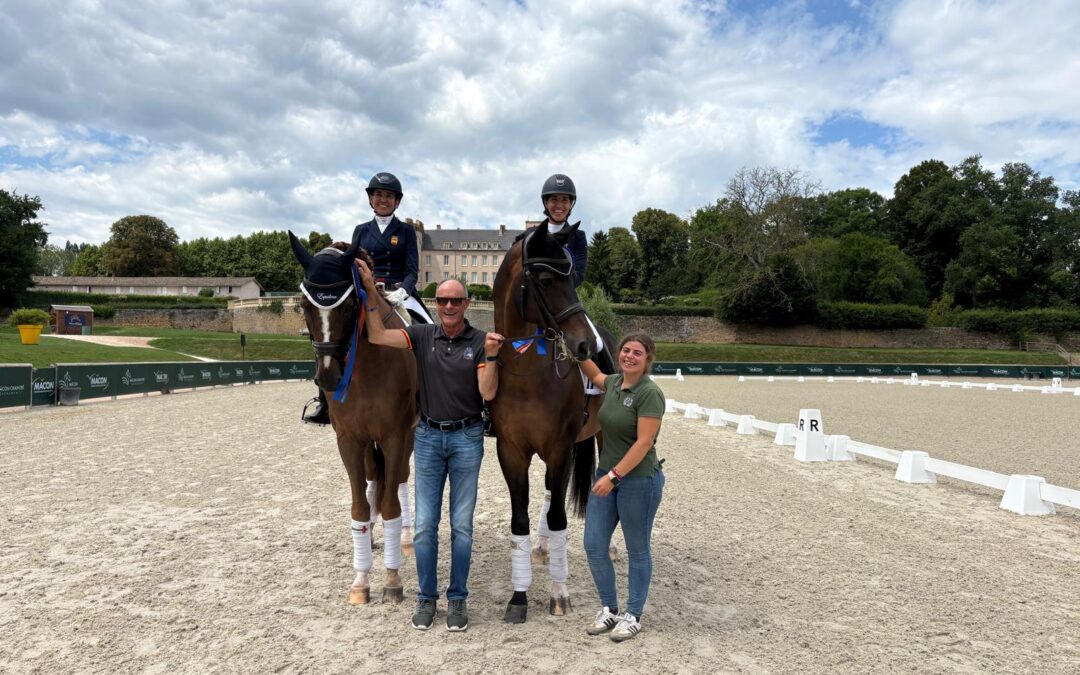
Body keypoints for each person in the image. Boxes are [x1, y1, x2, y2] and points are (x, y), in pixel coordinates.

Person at [355, 258, 503, 633]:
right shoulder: (421, 335)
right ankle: (426, 598)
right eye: (442, 301)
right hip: (428, 438)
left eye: (456, 300)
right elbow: (375, 336)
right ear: (436, 305)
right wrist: (371, 290)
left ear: (467, 304)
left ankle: (457, 599)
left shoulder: (478, 341)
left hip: (467, 437)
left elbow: (488, 393)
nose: (449, 306)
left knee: (463, 527)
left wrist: (494, 355)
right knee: (424, 527)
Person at [302, 171, 430, 426]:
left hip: (398, 293)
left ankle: (428, 397)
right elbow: (353, 264)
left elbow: (412, 269)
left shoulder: (405, 230)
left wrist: (402, 290)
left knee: (428, 330)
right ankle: (325, 400)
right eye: (379, 195)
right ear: (371, 199)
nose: (383, 200)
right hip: (366, 291)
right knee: (334, 333)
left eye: (389, 196)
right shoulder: (361, 230)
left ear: (397, 201)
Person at [578, 332, 665, 642]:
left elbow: (644, 443)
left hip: (637, 480)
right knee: (593, 544)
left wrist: (613, 476)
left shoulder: (649, 393)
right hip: (607, 477)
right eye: (626, 350)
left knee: (637, 548)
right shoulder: (614, 383)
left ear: (647, 359)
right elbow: (594, 372)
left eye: (637, 353)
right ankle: (609, 608)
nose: (629, 356)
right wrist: (571, 346)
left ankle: (633, 615)